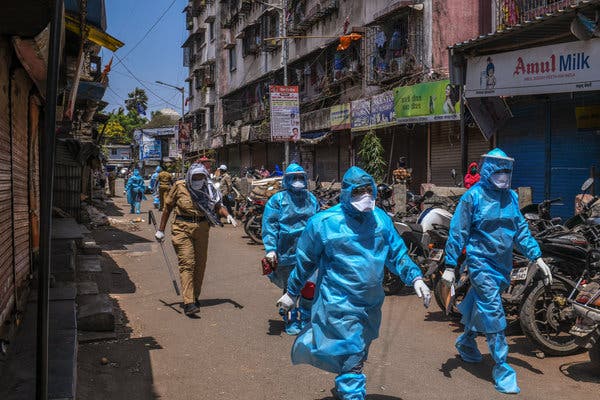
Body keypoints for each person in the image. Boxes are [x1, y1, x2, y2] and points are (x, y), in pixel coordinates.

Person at [276, 166, 431, 399]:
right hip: (339, 303)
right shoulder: (324, 223)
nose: (365, 196)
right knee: (353, 351)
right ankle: (351, 392)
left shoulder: (380, 220)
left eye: (370, 190)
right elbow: (306, 263)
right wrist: (292, 292)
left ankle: (346, 381)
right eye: (359, 191)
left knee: (358, 350)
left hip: (370, 303)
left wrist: (416, 277)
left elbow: (397, 254)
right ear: (347, 192)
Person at [442, 148, 552, 394]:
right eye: (499, 169)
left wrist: (536, 256)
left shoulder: (511, 197)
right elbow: (458, 231)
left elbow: (520, 230)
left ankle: (467, 341)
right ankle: (502, 368)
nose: (503, 174)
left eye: (506, 170)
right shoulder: (473, 197)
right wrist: (450, 265)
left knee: (481, 303)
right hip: (480, 262)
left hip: (503, 264)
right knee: (492, 309)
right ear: (489, 169)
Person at [155, 163, 238, 316]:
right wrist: (161, 230)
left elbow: (217, 205)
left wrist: (228, 215)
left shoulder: (209, 188)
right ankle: (188, 302)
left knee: (200, 264)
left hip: (202, 228)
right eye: (196, 177)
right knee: (187, 263)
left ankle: (194, 297)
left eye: (201, 176)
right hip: (181, 227)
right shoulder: (180, 186)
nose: (199, 180)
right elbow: (167, 208)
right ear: (189, 176)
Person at [262, 164, 320, 335]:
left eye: (300, 177)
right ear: (286, 179)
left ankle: (306, 317)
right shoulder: (277, 200)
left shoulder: (311, 199)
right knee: (290, 287)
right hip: (286, 251)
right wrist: (271, 249)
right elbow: (270, 225)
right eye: (293, 178)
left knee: (310, 286)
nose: (297, 181)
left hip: (309, 252)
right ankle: (291, 318)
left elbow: (318, 223)